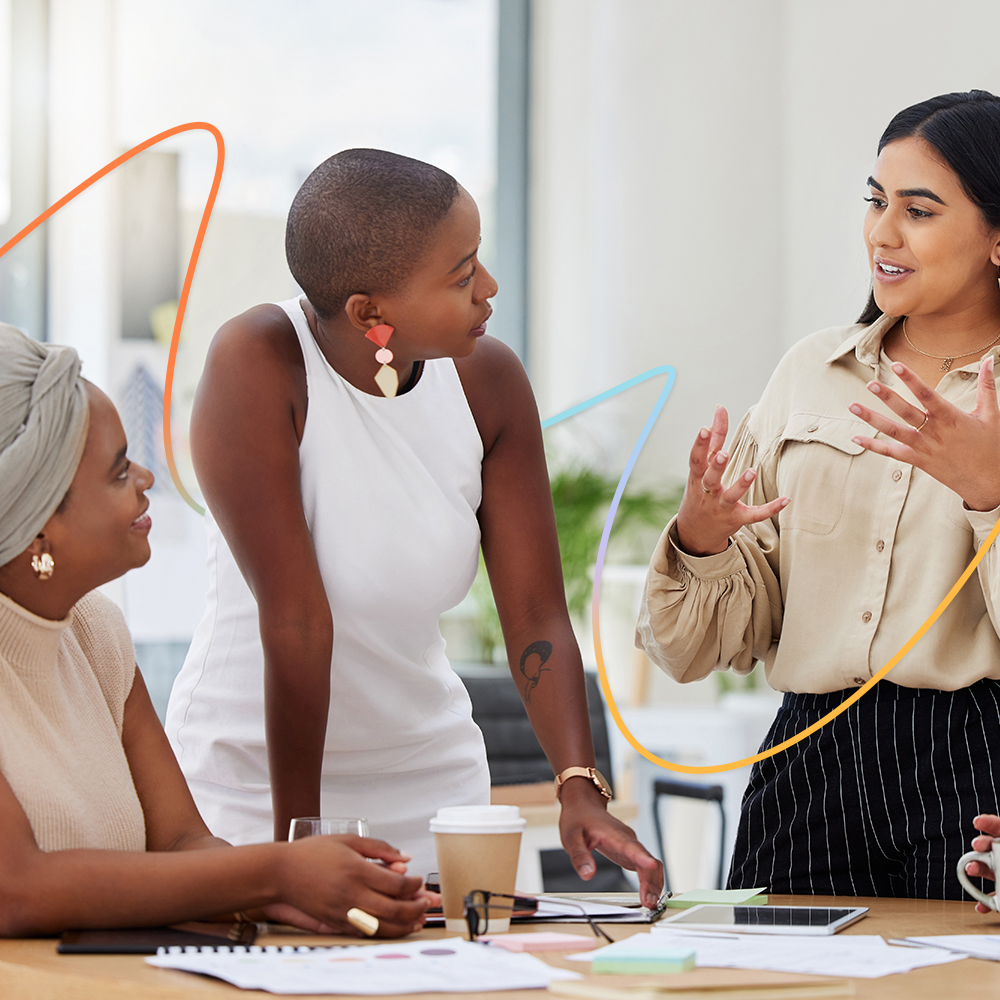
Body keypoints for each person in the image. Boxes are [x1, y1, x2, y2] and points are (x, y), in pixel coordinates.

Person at [164, 149, 663, 906]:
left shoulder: (488, 381)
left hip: (435, 789)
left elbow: (533, 614)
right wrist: (298, 845)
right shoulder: (260, 361)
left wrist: (577, 786)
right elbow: (297, 621)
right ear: (371, 313)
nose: (488, 289)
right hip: (255, 786)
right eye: (463, 275)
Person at [636, 90, 1000, 900]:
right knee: (768, 984)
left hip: (976, 768)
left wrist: (990, 495)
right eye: (875, 201)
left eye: (920, 210)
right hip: (807, 755)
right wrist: (702, 540)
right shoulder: (811, 371)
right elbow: (702, 647)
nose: (882, 232)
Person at [0, 324, 432, 936]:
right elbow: (15, 890)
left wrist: (293, 895)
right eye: (119, 472)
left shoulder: (96, 633)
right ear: (40, 526)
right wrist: (277, 874)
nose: (147, 479)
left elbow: (181, 842)